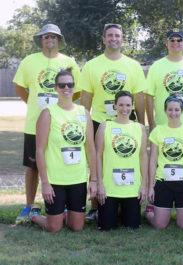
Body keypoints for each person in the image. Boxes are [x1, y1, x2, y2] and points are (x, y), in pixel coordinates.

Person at [12, 24, 80, 224]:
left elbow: (76, 91)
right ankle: (29, 205)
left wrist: (62, 106)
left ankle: (64, 206)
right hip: (34, 123)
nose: (49, 39)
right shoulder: (29, 61)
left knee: (62, 162)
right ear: (41, 39)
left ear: (59, 40)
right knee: (32, 166)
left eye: (54, 36)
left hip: (62, 125)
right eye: (45, 36)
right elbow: (19, 88)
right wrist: (34, 104)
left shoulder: (69, 62)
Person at [80, 23, 147, 221]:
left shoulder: (133, 65)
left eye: (117, 35)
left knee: (126, 160)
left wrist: (141, 123)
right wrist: (86, 124)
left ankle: (126, 202)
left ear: (122, 39)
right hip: (99, 120)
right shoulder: (92, 65)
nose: (113, 38)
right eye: (109, 35)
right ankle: (95, 207)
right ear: (104, 39)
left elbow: (140, 97)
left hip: (127, 122)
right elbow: (86, 97)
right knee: (96, 162)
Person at [31, 68, 97, 232]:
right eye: (62, 85)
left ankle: (64, 213)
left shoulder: (84, 113)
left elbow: (90, 148)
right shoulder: (48, 113)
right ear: (55, 88)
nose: (66, 88)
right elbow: (39, 150)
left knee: (77, 227)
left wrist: (94, 179)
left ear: (74, 87)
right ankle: (34, 215)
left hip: (77, 179)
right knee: (53, 228)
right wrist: (45, 182)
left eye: (70, 84)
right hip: (55, 181)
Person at [95, 91, 148, 230]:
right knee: (107, 227)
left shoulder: (140, 128)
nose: (125, 109)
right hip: (109, 188)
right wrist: (99, 184)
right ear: (115, 106)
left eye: (128, 105)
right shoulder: (104, 127)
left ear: (132, 106)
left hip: (132, 188)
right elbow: (98, 156)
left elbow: (143, 157)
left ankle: (122, 210)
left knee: (133, 226)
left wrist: (143, 185)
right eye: (121, 105)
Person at [146, 95, 183, 229]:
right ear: (165, 111)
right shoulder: (157, 131)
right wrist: (151, 187)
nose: (173, 113)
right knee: (160, 225)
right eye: (170, 110)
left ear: (182, 111)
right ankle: (149, 212)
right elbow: (152, 160)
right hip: (163, 182)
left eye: (177, 110)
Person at [146, 28, 183, 132]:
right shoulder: (156, 66)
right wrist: (152, 124)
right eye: (172, 40)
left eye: (179, 40)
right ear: (166, 43)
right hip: (162, 127)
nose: (175, 42)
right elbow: (149, 97)